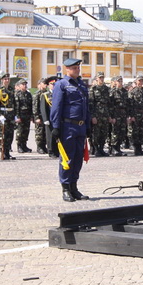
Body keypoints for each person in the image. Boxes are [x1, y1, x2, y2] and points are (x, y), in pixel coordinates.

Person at [50, 58, 90, 202]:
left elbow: (86, 107)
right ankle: (66, 188)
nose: (77, 70)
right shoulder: (61, 84)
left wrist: (88, 126)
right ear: (67, 69)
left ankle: (74, 188)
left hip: (80, 126)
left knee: (78, 158)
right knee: (67, 158)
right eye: (74, 68)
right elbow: (56, 107)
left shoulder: (81, 85)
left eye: (78, 68)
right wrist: (55, 127)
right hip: (68, 126)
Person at [0, 72, 16, 160]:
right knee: (2, 134)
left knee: (10, 135)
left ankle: (7, 152)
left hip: (10, 115)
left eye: (8, 79)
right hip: (3, 115)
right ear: (2, 80)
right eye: (5, 79)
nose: (7, 80)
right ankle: (3, 152)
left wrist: (15, 114)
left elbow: (15, 103)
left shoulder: (11, 90)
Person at [13, 79, 33, 153]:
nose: (25, 86)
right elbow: (16, 107)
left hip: (27, 116)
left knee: (26, 131)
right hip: (20, 116)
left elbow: (31, 106)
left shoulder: (28, 94)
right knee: (20, 132)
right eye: (23, 84)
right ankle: (19, 146)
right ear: (19, 86)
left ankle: (24, 145)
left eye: (25, 84)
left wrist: (31, 116)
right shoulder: (17, 94)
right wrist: (17, 117)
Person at [32, 78, 48, 154]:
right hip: (39, 116)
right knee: (39, 132)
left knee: (45, 132)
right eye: (44, 83)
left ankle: (44, 146)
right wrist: (36, 117)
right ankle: (39, 147)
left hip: (45, 116)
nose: (46, 85)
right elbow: (35, 107)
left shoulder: (46, 93)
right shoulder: (37, 94)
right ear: (40, 84)